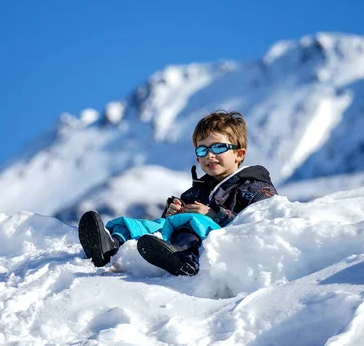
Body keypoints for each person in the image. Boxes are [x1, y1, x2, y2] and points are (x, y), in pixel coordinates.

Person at [78, 110, 277, 276]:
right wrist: (171, 214)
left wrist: (215, 216)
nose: (209, 154)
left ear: (239, 154)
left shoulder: (255, 188)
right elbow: (167, 226)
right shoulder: (195, 192)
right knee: (142, 224)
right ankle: (110, 245)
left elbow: (264, 226)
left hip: (220, 248)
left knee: (193, 222)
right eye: (202, 150)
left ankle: (184, 258)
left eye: (218, 147)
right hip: (179, 239)